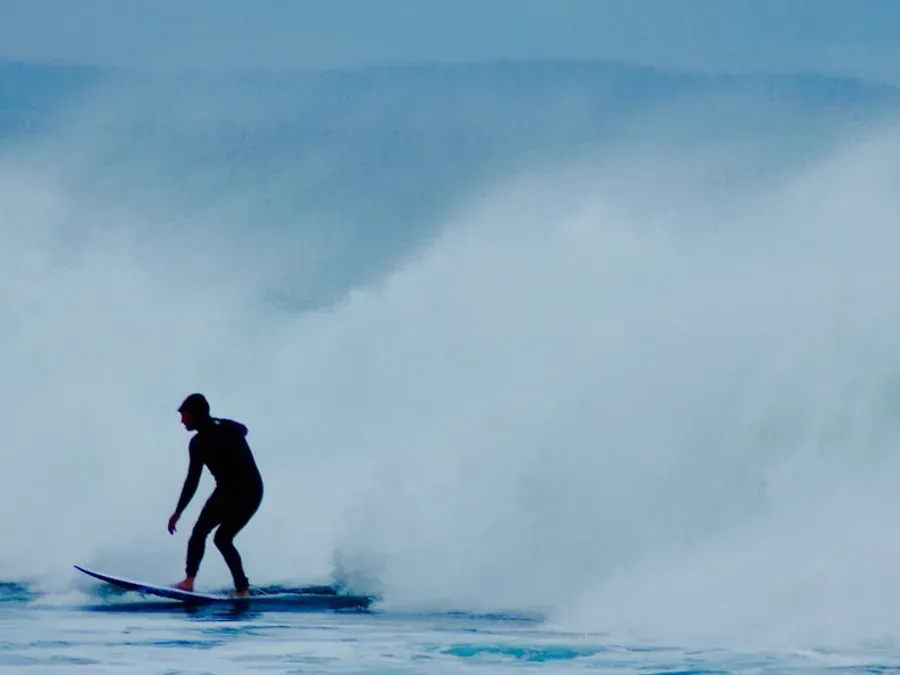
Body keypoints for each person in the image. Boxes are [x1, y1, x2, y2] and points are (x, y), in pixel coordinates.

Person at [167, 393, 264, 598]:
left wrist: (178, 511)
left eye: (184, 415)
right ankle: (241, 589)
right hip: (247, 490)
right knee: (221, 538)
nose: (182, 421)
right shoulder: (226, 428)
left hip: (241, 490)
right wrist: (179, 510)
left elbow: (192, 480)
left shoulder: (200, 442)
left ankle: (190, 582)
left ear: (195, 415)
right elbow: (243, 429)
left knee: (209, 535)